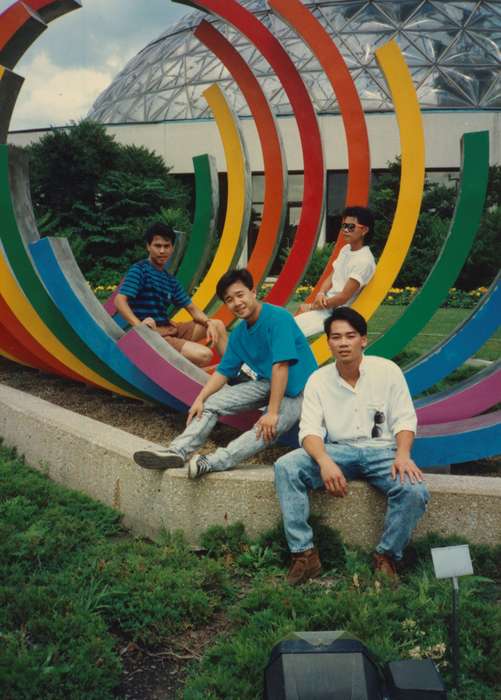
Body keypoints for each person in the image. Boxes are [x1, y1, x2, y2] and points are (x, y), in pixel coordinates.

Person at [274, 307, 429, 586]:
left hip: (382, 451)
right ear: (328, 342)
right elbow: (309, 430)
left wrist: (403, 454)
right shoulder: (318, 380)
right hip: (338, 450)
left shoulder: (387, 371)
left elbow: (405, 418)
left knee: (414, 491)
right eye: (336, 337)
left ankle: (387, 557)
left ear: (363, 340)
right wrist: (324, 461)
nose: (343, 343)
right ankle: (304, 553)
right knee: (286, 466)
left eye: (350, 336)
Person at [133, 268, 318, 478]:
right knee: (211, 403)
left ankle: (213, 462)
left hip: (302, 389)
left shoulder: (278, 318)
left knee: (271, 425)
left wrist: (272, 412)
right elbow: (223, 372)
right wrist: (200, 399)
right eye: (229, 299)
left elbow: (281, 366)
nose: (237, 303)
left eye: (240, 295)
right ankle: (177, 450)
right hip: (269, 382)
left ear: (253, 292)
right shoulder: (239, 334)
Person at [114, 222, 226, 367]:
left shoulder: (170, 280)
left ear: (172, 248)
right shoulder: (139, 270)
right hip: (154, 335)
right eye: (157, 246)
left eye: (166, 246)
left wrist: (208, 323)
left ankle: (233, 371)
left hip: (170, 329)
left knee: (217, 324)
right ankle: (194, 377)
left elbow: (192, 309)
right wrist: (139, 325)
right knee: (204, 355)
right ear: (148, 246)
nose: (162, 251)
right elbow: (119, 301)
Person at [295, 206, 376, 337]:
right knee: (287, 326)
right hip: (326, 307)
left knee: (289, 331)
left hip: (337, 313)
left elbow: (344, 297)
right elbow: (333, 275)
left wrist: (313, 307)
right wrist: (321, 292)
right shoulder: (346, 249)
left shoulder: (364, 260)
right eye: (344, 226)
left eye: (351, 227)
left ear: (365, 230)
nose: (345, 230)